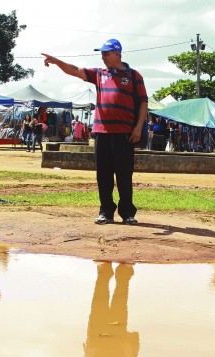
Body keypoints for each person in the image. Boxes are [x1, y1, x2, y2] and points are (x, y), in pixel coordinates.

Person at [42, 38, 148, 225]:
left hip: (125, 133)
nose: (103, 57)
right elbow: (75, 71)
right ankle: (106, 211)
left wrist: (138, 128)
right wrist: (58, 62)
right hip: (102, 132)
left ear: (117, 54)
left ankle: (127, 213)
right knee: (103, 174)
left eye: (106, 53)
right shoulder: (100, 74)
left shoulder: (133, 76)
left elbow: (143, 103)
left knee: (124, 175)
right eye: (102, 53)